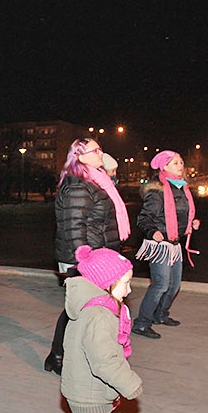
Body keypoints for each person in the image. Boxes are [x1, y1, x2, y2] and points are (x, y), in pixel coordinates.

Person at [61, 245, 143, 413]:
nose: (129, 290)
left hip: (87, 383)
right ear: (107, 284)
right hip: (88, 388)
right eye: (126, 283)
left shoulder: (95, 304)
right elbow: (105, 361)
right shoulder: (99, 315)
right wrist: (130, 383)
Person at [44, 138, 130, 374]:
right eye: (96, 150)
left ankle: (69, 352)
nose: (101, 152)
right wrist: (86, 259)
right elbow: (74, 226)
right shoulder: (78, 185)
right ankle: (58, 355)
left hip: (99, 255)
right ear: (80, 156)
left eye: (100, 148)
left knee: (87, 308)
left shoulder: (96, 181)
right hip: (84, 258)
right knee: (78, 308)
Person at [131, 150, 201, 339]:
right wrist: (152, 232)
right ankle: (142, 323)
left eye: (181, 162)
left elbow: (181, 214)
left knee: (174, 285)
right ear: (165, 167)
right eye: (176, 162)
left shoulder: (182, 188)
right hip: (160, 245)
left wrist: (191, 223)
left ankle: (160, 315)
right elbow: (143, 218)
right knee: (161, 285)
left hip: (176, 243)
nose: (181, 165)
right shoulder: (157, 191)